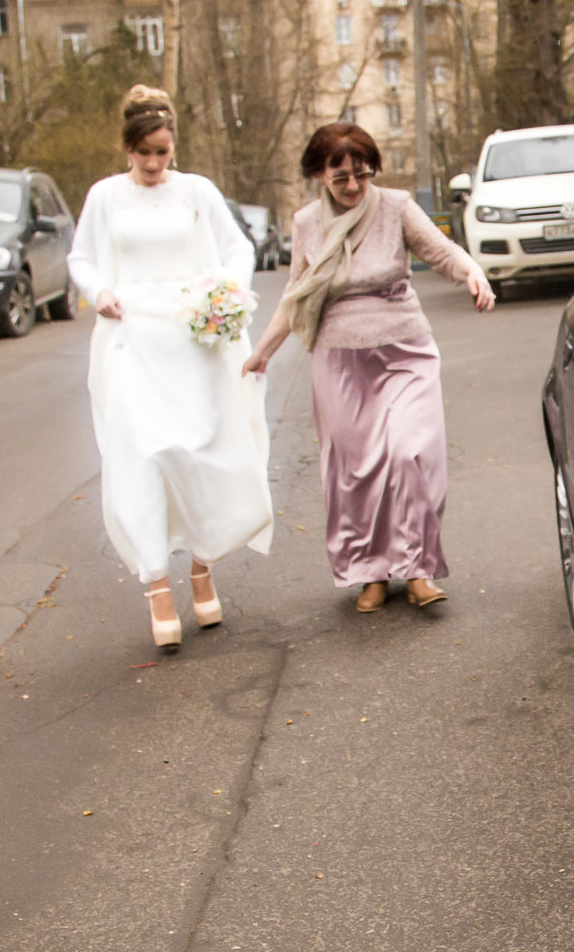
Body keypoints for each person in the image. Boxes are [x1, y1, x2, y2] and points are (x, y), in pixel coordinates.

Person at [242, 123, 493, 612]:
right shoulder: (307, 223)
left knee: (409, 451)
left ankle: (419, 567)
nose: (354, 186)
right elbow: (297, 297)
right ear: (319, 174)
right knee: (356, 469)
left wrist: (473, 272)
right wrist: (263, 351)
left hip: (404, 348)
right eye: (341, 178)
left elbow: (441, 252)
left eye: (362, 174)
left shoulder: (395, 207)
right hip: (339, 359)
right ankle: (370, 571)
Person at [67, 86, 273, 649]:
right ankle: (156, 583)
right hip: (133, 336)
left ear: (174, 145)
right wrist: (99, 291)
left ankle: (203, 566)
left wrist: (225, 294)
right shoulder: (106, 196)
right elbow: (81, 257)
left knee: (203, 452)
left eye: (162, 152)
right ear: (127, 148)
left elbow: (238, 250)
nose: (154, 164)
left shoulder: (197, 191)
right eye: (143, 154)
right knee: (144, 454)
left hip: (192, 339)